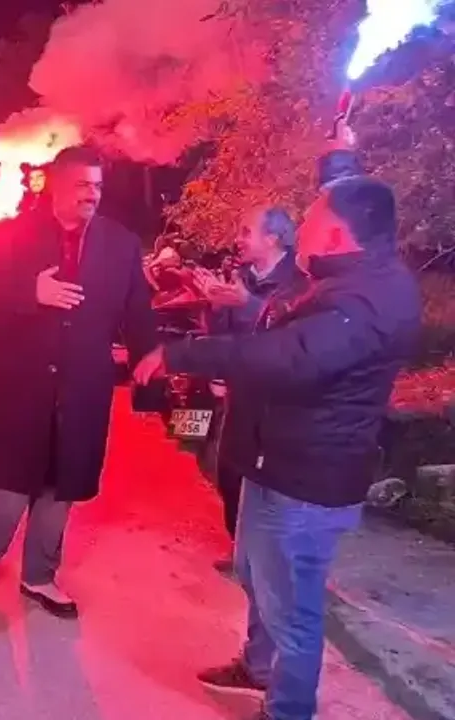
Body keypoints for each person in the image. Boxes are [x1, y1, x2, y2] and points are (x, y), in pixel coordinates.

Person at [134, 177, 421, 720]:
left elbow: (288, 356)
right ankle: (259, 666)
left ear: (336, 234)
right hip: (276, 460)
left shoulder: (366, 300)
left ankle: (287, 709)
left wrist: (182, 355)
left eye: (311, 218)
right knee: (254, 572)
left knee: (293, 609)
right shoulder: (346, 279)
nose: (300, 226)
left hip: (309, 478)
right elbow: (280, 335)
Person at [0, 146, 157, 618]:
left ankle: (39, 576)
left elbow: (137, 310)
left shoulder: (120, 244)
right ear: (56, 185)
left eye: (97, 186)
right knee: (5, 488)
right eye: (82, 185)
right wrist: (27, 293)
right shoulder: (6, 236)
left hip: (81, 389)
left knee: (59, 487)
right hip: (16, 387)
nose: (92, 194)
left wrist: (150, 356)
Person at [192, 207, 306, 566]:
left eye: (246, 232)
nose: (238, 240)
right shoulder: (239, 276)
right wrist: (215, 306)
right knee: (227, 470)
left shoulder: (300, 282)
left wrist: (245, 303)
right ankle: (240, 547)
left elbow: (287, 335)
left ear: (272, 238)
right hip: (239, 392)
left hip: (278, 399)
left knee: (269, 479)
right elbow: (219, 333)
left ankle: (271, 558)